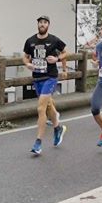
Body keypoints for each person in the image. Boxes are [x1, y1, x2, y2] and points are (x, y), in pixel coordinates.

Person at [23, 16, 67, 155]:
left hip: (50, 77)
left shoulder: (54, 40)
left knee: (41, 108)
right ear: (37, 24)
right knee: (48, 106)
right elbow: (24, 56)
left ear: (48, 25)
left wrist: (57, 59)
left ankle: (38, 143)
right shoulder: (30, 41)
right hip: (37, 78)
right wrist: (27, 64)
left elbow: (66, 52)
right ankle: (58, 127)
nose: (42, 25)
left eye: (45, 23)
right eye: (40, 23)